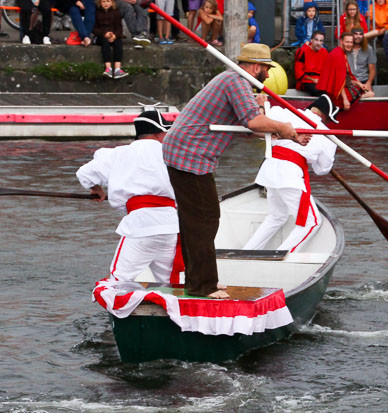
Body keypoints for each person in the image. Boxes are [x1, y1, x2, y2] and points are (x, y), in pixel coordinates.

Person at [162, 44, 309, 299]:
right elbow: (253, 121)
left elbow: (253, 126)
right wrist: (283, 125)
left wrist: (289, 133)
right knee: (203, 220)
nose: (266, 74)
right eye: (265, 69)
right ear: (255, 67)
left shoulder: (234, 82)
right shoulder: (236, 82)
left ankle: (201, 280)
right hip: (189, 155)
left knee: (199, 219)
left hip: (189, 154)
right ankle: (202, 286)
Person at [79, 108, 180, 312]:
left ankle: (125, 314)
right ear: (160, 133)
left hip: (140, 226)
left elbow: (85, 174)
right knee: (170, 285)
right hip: (171, 227)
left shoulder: (120, 153)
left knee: (116, 284)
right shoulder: (173, 154)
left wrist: (97, 189)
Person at [243, 94, 339, 252]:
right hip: (289, 174)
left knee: (277, 216)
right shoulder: (327, 134)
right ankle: (281, 258)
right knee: (312, 222)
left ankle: (246, 252)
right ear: (323, 116)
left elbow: (260, 129)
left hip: (269, 170)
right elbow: (322, 169)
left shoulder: (282, 112)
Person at [93, 0, 128, 79]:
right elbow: (94, 29)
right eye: (103, 1)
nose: (106, 3)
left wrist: (115, 35)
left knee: (118, 43)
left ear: (112, 2)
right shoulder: (97, 13)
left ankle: (117, 68)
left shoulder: (116, 13)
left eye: (108, 1)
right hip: (101, 36)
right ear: (100, 3)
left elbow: (119, 28)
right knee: (105, 43)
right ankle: (108, 68)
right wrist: (104, 34)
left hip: (113, 35)